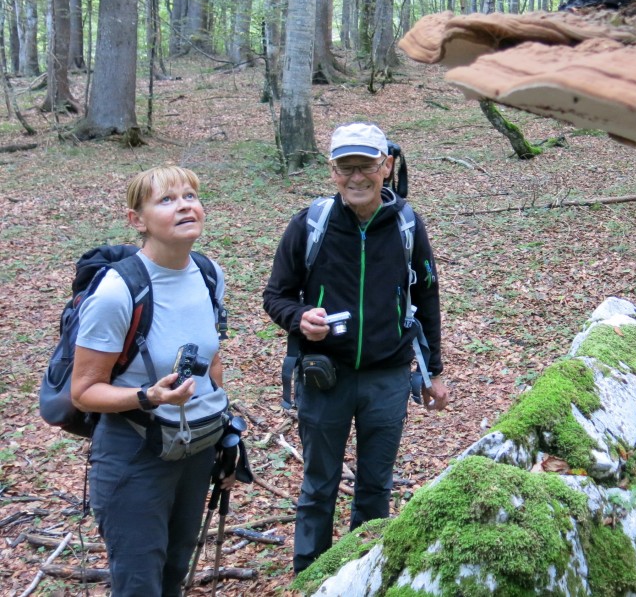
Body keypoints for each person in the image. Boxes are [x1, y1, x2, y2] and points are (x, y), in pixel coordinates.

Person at [263, 122, 449, 573]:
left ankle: (362, 572)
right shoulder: (311, 225)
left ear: (385, 166)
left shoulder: (406, 224)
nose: (356, 177)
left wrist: (435, 373)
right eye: (345, 167)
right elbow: (276, 295)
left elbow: (426, 295)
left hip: (388, 376)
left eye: (365, 165)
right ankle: (310, 575)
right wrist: (299, 318)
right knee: (318, 485)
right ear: (332, 171)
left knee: (374, 486)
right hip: (325, 375)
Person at [71, 165, 231, 596]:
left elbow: (212, 366)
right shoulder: (117, 291)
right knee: (139, 582)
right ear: (136, 220)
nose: (184, 206)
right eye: (166, 200)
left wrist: (227, 433)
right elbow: (84, 392)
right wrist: (148, 395)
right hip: (134, 456)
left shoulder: (210, 274)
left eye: (190, 197)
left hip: (196, 449)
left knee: (174, 572)